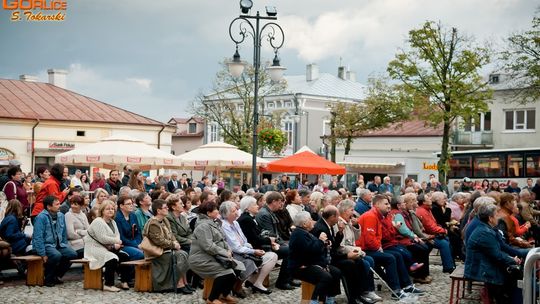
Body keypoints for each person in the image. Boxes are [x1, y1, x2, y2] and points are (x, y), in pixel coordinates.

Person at [357, 194, 423, 300]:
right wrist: (379, 248)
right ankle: (396, 290)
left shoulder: (380, 215)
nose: (389, 206)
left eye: (388, 203)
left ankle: (406, 286)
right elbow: (370, 240)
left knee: (397, 255)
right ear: (377, 205)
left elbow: (381, 235)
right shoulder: (371, 216)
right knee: (391, 257)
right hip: (365, 249)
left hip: (375, 247)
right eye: (386, 204)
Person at [311, 204, 381, 304]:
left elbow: (333, 245)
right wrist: (346, 256)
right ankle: (353, 297)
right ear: (332, 217)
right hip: (324, 260)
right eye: (337, 216)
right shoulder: (321, 228)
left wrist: (340, 232)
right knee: (350, 264)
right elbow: (327, 251)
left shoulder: (328, 224)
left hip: (331, 256)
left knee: (358, 262)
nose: (338, 218)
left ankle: (360, 293)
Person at [188, 200, 244, 304]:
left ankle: (224, 294)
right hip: (201, 259)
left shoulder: (214, 223)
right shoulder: (203, 226)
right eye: (215, 209)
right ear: (208, 213)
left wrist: (228, 249)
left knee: (237, 269)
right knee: (226, 273)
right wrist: (224, 252)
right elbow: (208, 246)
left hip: (213, 256)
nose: (218, 211)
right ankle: (212, 299)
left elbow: (222, 239)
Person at [465, 203, 521, 303]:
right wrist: (512, 260)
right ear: (490, 218)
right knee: (515, 275)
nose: (498, 217)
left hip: (485, 264)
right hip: (480, 269)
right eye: (496, 215)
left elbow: (497, 250)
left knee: (515, 273)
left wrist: (510, 258)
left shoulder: (487, 228)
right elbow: (497, 255)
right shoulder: (485, 232)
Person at [220, 201, 278, 296]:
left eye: (237, 210)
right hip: (232, 254)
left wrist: (252, 249)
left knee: (271, 256)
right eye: (234, 211)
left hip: (243, 251)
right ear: (227, 214)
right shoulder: (224, 225)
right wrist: (253, 251)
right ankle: (237, 286)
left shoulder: (235, 223)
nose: (237, 212)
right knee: (249, 262)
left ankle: (253, 282)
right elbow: (235, 247)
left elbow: (244, 240)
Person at [289, 211, 342, 304]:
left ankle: (329, 299)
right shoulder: (299, 234)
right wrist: (321, 241)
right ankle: (314, 301)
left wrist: (324, 244)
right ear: (304, 224)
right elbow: (310, 250)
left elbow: (314, 247)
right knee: (325, 277)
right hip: (300, 267)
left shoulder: (305, 232)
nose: (313, 221)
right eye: (310, 219)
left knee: (336, 272)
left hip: (311, 263)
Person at [334, 199, 381, 303]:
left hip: (353, 251)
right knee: (364, 263)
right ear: (345, 210)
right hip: (345, 253)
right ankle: (362, 291)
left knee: (370, 260)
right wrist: (358, 251)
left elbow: (356, 238)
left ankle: (368, 290)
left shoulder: (348, 222)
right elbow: (341, 246)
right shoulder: (339, 223)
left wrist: (355, 226)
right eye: (351, 210)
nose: (353, 212)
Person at [144, 199, 192, 294]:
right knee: (181, 255)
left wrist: (175, 241)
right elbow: (159, 241)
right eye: (165, 208)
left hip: (166, 250)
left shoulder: (164, 220)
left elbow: (171, 234)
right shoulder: (153, 223)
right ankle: (179, 284)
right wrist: (173, 244)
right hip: (156, 252)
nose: (167, 209)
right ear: (158, 210)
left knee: (184, 254)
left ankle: (185, 282)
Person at [84, 200, 132, 292]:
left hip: (108, 247)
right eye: (108, 209)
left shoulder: (112, 222)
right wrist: (117, 242)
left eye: (112, 209)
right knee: (112, 258)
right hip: (94, 248)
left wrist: (116, 243)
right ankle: (108, 284)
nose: (110, 211)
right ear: (102, 210)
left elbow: (117, 234)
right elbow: (102, 238)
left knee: (125, 256)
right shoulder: (98, 221)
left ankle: (124, 281)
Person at [255, 191, 298, 290]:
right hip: (266, 246)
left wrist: (283, 243)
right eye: (279, 202)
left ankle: (289, 278)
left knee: (293, 247)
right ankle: (282, 282)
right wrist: (284, 244)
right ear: (274, 202)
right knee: (290, 251)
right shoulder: (265, 214)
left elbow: (276, 234)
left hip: (272, 243)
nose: (281, 205)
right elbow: (271, 235)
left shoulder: (270, 212)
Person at [32, 195, 77, 286]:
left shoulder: (61, 215)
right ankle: (48, 278)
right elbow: (38, 237)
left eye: (59, 203)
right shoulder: (41, 217)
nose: (59, 206)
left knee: (72, 254)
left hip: (58, 244)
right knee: (56, 255)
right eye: (56, 204)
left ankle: (56, 275)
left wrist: (65, 244)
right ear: (49, 207)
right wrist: (42, 253)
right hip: (46, 245)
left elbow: (63, 233)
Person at [415, 193, 456, 273]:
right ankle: (448, 267)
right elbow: (430, 227)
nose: (431, 199)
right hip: (427, 236)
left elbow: (434, 224)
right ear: (423, 202)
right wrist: (443, 230)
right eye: (428, 198)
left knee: (447, 240)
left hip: (431, 234)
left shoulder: (428, 209)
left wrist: (441, 230)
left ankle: (450, 265)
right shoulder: (423, 211)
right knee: (443, 243)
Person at [114, 195, 144, 261]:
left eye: (132, 203)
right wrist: (135, 245)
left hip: (135, 243)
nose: (131, 205)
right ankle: (127, 270)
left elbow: (138, 232)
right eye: (128, 204)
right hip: (123, 245)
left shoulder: (133, 215)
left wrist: (138, 243)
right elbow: (121, 237)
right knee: (140, 254)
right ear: (121, 206)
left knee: (150, 252)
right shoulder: (117, 218)